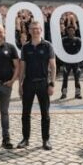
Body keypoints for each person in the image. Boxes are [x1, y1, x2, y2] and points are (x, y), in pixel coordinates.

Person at [17, 21, 56, 151]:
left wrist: (52, 83)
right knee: (25, 113)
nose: (35, 31)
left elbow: (53, 66)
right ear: (29, 31)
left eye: (37, 29)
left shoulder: (47, 46)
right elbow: (22, 66)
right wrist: (20, 84)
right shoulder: (25, 47)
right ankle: (25, 139)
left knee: (45, 113)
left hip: (43, 83)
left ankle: (46, 140)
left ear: (41, 30)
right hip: (28, 82)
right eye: (32, 29)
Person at [60, 25, 83, 100]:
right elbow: (61, 51)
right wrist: (62, 63)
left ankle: (78, 93)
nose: (71, 32)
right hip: (66, 62)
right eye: (69, 30)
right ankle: (64, 93)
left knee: (77, 78)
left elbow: (81, 51)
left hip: (76, 62)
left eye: (72, 30)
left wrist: (80, 63)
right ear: (67, 31)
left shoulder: (78, 40)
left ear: (74, 31)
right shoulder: (63, 40)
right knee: (65, 78)